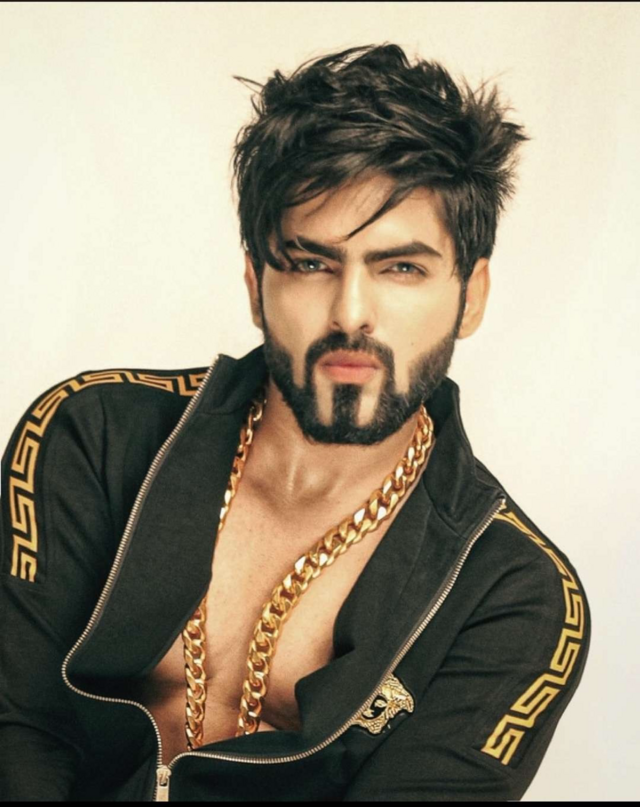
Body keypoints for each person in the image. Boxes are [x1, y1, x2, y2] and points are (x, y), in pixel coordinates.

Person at [0, 44, 590, 801]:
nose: (351, 313)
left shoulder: (517, 594)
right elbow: (20, 728)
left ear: (470, 295)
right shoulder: (91, 437)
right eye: (311, 263)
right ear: (256, 283)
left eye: (401, 268)